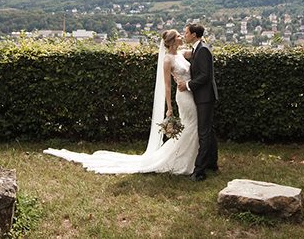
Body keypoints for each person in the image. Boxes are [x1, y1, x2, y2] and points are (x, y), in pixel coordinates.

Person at [43, 30, 199, 175]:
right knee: (192, 125)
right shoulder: (167, 60)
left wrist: (200, 38)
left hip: (191, 92)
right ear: (172, 41)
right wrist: (169, 108)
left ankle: (191, 158)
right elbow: (167, 85)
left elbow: (197, 52)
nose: (182, 38)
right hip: (183, 96)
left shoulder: (181, 54)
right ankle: (181, 161)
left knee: (192, 125)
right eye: (179, 36)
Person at [177, 23, 218, 181]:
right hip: (201, 96)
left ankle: (199, 171)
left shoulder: (203, 50)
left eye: (186, 32)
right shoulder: (196, 49)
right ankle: (212, 163)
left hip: (205, 97)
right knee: (209, 130)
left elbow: (205, 76)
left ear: (194, 35)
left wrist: (187, 85)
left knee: (204, 133)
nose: (185, 34)